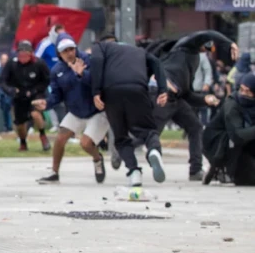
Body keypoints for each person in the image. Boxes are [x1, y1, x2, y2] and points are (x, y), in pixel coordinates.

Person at [151, 31, 237, 181]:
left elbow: (187, 94)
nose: (207, 49)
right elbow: (207, 33)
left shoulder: (194, 59)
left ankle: (196, 170)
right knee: (152, 132)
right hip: (164, 93)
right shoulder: (184, 46)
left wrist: (205, 100)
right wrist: (230, 43)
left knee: (195, 127)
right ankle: (124, 148)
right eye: (206, 45)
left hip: (178, 98)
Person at [90, 38, 168, 187]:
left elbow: (97, 62)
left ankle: (134, 172)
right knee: (148, 130)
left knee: (120, 136)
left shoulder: (100, 46)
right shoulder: (138, 51)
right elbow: (157, 63)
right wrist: (162, 90)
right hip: (137, 88)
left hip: (111, 91)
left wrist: (96, 91)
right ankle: (153, 151)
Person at [35, 34, 108, 184]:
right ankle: (54, 173)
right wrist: (47, 104)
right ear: (59, 53)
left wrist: (82, 74)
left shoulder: (88, 60)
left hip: (96, 111)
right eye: (65, 51)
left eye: (72, 49)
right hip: (76, 112)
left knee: (85, 143)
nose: (70, 53)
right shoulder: (56, 70)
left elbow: (98, 83)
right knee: (60, 138)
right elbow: (57, 95)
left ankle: (97, 158)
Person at [203, 73, 255, 185]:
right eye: (242, 89)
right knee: (249, 179)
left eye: (248, 91)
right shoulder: (232, 106)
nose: (243, 94)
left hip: (243, 144)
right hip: (219, 144)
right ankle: (222, 168)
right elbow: (238, 136)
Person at [0, 41, 50, 151]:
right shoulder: (12, 64)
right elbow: (3, 81)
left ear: (31, 54)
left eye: (25, 55)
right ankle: (23, 142)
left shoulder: (39, 63)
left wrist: (36, 90)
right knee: (20, 123)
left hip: (35, 93)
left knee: (35, 113)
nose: (22, 58)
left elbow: (46, 80)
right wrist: (11, 90)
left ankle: (42, 135)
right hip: (19, 95)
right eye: (20, 55)